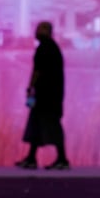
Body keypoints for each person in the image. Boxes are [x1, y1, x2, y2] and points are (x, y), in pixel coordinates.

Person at [15, 20, 70, 170]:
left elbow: (37, 71)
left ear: (47, 31)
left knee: (50, 125)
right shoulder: (53, 48)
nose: (37, 31)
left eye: (41, 29)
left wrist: (31, 87)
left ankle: (62, 159)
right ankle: (33, 158)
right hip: (51, 95)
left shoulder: (44, 49)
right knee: (38, 124)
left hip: (46, 95)